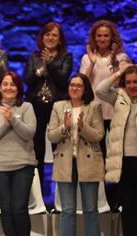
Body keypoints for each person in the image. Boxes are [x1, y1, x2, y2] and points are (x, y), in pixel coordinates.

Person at [79, 20, 130, 211]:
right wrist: (92, 63)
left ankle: (117, 196)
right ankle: (100, 199)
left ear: (112, 38)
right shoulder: (87, 58)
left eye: (105, 36)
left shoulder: (121, 57)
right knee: (98, 155)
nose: (102, 39)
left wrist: (117, 62)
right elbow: (82, 81)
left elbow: (123, 81)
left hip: (115, 111)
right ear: (94, 37)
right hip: (95, 112)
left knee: (116, 155)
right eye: (98, 35)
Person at [48, 73, 104, 236]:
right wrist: (64, 127)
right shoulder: (58, 106)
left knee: (90, 210)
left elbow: (99, 135)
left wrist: (82, 126)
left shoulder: (94, 106)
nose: (74, 88)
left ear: (85, 89)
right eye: (72, 85)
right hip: (65, 163)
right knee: (67, 210)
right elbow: (51, 135)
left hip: (89, 163)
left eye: (79, 85)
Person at [0, 71, 37, 236]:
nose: (8, 87)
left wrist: (13, 119)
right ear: (0, 88)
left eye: (12, 84)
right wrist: (6, 124)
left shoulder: (27, 107)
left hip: (23, 164)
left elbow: (29, 133)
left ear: (18, 88)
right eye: (5, 84)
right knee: (6, 209)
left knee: (19, 208)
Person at [24, 22, 72, 189]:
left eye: (54, 35)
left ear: (59, 40)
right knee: (36, 150)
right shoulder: (34, 56)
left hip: (56, 107)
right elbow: (28, 80)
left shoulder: (66, 56)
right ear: (42, 37)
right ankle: (38, 193)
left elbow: (62, 79)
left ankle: (60, 193)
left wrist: (49, 65)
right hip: (35, 106)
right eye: (47, 35)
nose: (50, 38)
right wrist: (41, 69)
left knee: (58, 148)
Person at [95, 64, 137, 236]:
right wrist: (119, 72)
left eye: (136, 82)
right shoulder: (119, 96)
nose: (132, 86)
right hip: (124, 161)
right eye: (128, 82)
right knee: (128, 206)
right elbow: (100, 90)